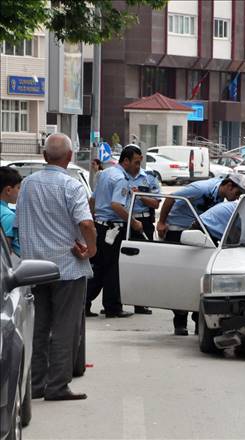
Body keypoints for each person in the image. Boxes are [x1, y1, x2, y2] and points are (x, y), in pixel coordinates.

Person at [16, 133, 97, 400]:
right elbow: (86, 223)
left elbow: (19, 224)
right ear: (70, 157)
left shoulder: (27, 184)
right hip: (67, 267)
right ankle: (57, 386)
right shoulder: (70, 186)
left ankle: (36, 384)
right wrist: (92, 249)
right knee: (64, 327)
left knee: (38, 327)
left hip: (32, 267)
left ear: (44, 156)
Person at [157, 173, 245, 335]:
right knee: (182, 277)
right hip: (178, 231)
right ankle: (180, 321)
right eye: (237, 193)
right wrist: (162, 222)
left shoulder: (221, 197)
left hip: (200, 233)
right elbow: (170, 198)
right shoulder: (201, 188)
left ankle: (197, 318)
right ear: (228, 186)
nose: (236, 197)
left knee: (201, 277)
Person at [86, 145, 144, 318]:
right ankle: (112, 307)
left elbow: (93, 200)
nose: (138, 167)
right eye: (136, 163)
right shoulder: (120, 179)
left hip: (101, 226)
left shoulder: (106, 174)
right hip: (113, 227)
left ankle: (85, 303)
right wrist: (133, 223)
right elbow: (116, 205)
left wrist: (93, 220)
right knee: (111, 268)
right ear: (125, 161)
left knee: (101, 267)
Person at [127, 165, 161, 315]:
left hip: (144, 222)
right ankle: (112, 303)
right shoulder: (120, 176)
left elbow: (156, 203)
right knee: (115, 264)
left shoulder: (149, 177)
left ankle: (140, 304)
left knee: (142, 265)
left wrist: (139, 195)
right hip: (124, 221)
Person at [0, 166, 22, 256]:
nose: (20, 191)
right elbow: (4, 253)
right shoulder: (8, 216)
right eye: (18, 188)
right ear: (8, 190)